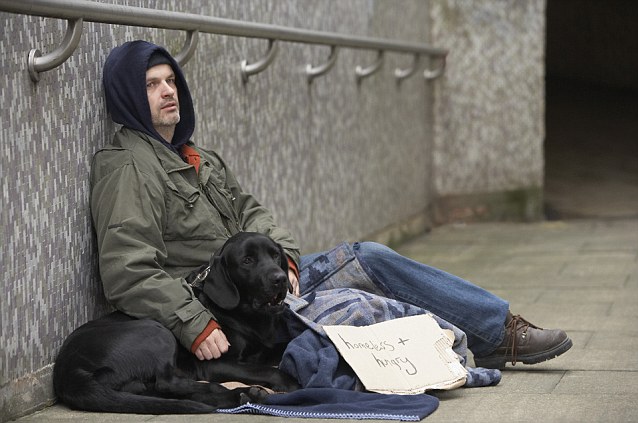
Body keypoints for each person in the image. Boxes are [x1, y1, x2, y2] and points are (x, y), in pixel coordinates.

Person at [92, 40, 572, 370]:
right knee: (367, 283)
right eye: (153, 85)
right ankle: (493, 338)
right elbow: (128, 272)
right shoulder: (128, 167)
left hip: (264, 279)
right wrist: (194, 323)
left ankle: (494, 331)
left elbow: (254, 214)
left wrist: (285, 257)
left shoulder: (200, 157)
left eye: (170, 80)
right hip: (225, 302)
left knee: (368, 257)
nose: (169, 91)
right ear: (130, 98)